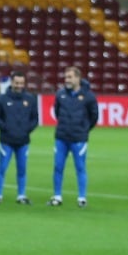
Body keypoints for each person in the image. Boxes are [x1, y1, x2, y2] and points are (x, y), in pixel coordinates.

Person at [50, 66, 99, 207]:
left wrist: (83, 130)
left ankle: (82, 198)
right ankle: (57, 196)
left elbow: (94, 117)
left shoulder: (89, 96)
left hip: (79, 138)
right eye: (66, 77)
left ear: (78, 78)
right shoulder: (60, 94)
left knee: (80, 168)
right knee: (58, 167)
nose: (67, 80)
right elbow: (57, 112)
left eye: (70, 77)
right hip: (61, 137)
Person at [0, 70, 38, 205]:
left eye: (22, 83)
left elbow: (35, 119)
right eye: (17, 83)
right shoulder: (2, 98)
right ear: (11, 82)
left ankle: (21, 195)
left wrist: (27, 130)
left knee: (22, 169)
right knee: (2, 168)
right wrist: (5, 128)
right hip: (6, 141)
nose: (19, 85)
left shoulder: (30, 99)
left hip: (23, 141)